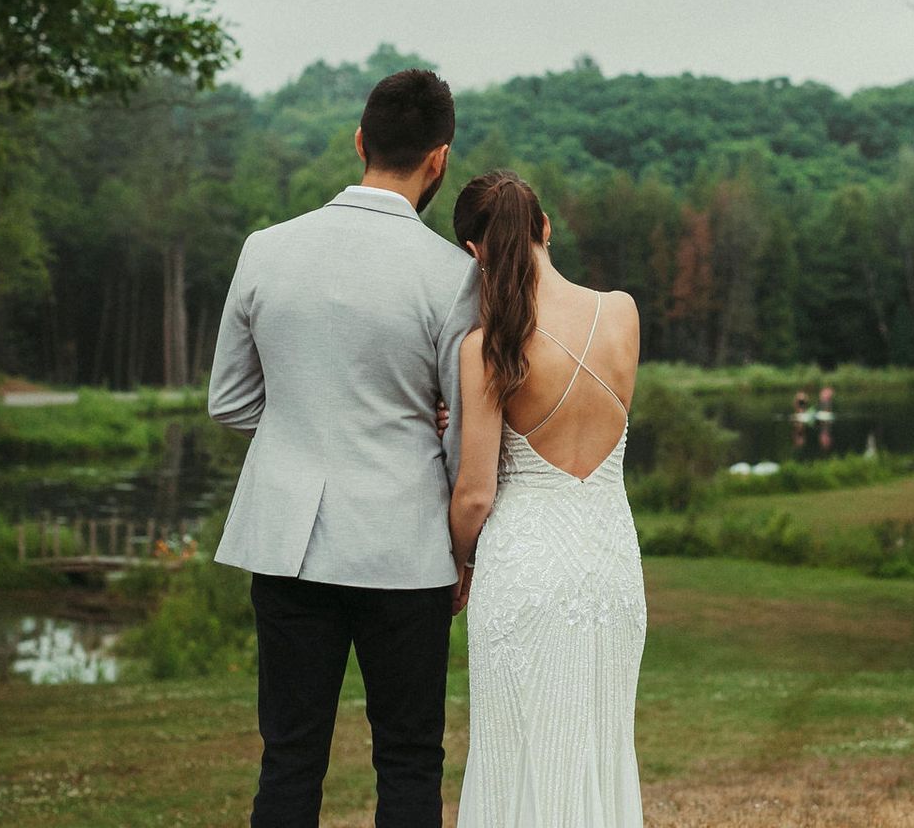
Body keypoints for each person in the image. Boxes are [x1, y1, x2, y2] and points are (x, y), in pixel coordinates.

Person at [207, 69, 479, 828]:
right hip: (406, 548)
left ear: (360, 143)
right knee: (409, 758)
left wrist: (302, 417)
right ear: (440, 160)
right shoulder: (454, 275)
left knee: (289, 757)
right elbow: (466, 430)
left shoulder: (265, 249)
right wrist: (465, 550)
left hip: (289, 544)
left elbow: (228, 402)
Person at [449, 170, 646, 827]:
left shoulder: (490, 347)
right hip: (613, 564)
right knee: (599, 746)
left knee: (520, 755)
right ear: (546, 228)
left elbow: (475, 494)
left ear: (476, 251)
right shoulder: (622, 313)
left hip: (525, 569)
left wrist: (459, 561)